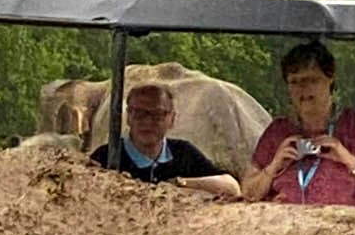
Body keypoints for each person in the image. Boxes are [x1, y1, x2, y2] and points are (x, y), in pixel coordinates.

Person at [240, 40, 355, 208]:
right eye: (294, 82)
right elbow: (248, 193)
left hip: (338, 228)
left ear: (330, 80)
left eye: (312, 80)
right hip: (284, 228)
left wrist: (347, 158)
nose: (303, 89)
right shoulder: (278, 131)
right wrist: (274, 165)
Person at [88, 77, 243, 199]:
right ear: (128, 117)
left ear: (172, 119)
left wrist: (180, 183)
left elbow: (231, 187)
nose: (147, 122)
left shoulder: (184, 153)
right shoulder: (105, 157)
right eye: (140, 113)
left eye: (157, 115)